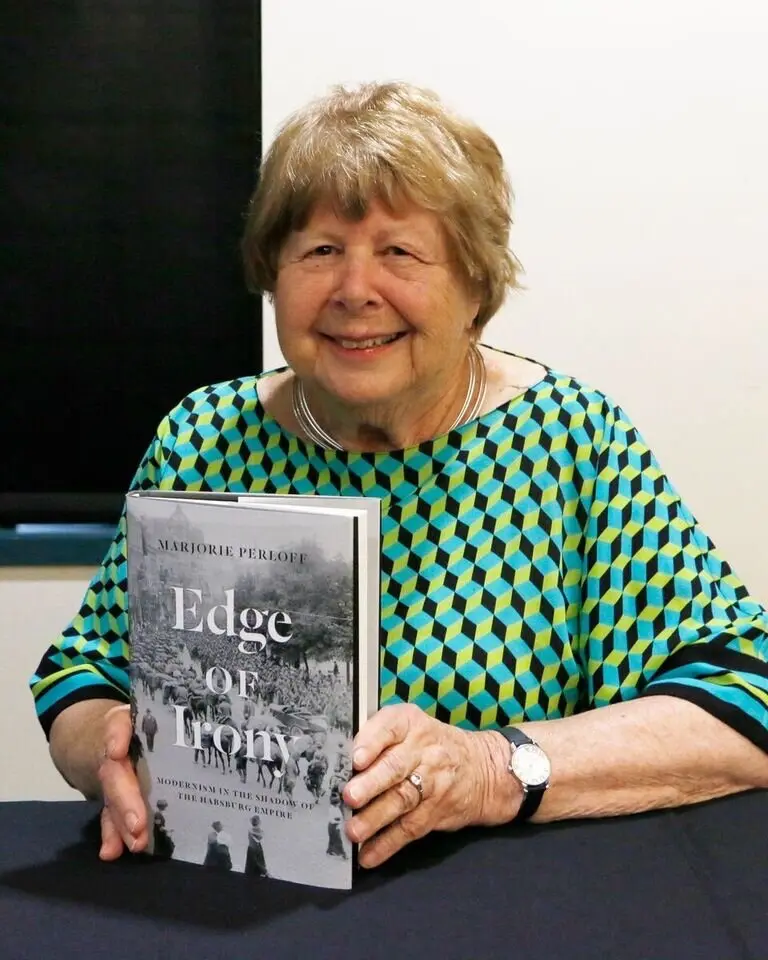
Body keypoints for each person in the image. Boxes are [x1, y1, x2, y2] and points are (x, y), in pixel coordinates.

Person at [29, 80, 768, 870]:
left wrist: (490, 769)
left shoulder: (569, 440)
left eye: (400, 252)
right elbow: (86, 670)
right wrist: (102, 752)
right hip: (232, 900)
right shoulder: (203, 438)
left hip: (510, 911)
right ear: (270, 274)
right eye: (319, 251)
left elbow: (745, 702)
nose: (354, 291)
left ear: (476, 285)